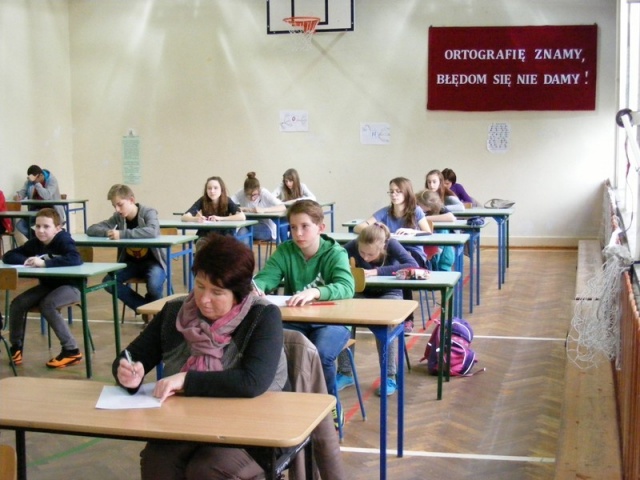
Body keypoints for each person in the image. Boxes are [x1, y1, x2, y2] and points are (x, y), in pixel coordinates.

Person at [112, 234, 289, 480]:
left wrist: (186, 380)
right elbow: (132, 355)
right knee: (157, 461)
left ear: (238, 294)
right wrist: (128, 373)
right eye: (200, 285)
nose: (204, 299)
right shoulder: (175, 312)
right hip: (190, 421)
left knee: (207, 469)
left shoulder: (262, 316)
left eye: (217, 292)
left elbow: (252, 381)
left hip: (254, 426)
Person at [253, 199, 355, 428]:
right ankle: (290, 406)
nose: (297, 233)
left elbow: (346, 287)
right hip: (297, 319)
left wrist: (317, 292)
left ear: (320, 227)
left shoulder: (335, 253)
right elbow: (268, 276)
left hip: (332, 322)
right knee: (271, 346)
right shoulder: (286, 250)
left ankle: (331, 409)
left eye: (304, 226)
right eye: (293, 227)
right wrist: (257, 287)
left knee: (321, 353)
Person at [337, 222, 419, 396]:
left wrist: (378, 271)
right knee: (343, 320)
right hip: (361, 292)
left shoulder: (392, 244)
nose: (365, 258)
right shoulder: (354, 244)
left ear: (382, 247)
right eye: (362, 253)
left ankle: (389, 375)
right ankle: (345, 372)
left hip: (389, 292)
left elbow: (413, 265)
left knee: (385, 323)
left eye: (371, 254)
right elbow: (335, 256)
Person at [3, 208, 83, 368]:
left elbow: (75, 258)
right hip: (48, 286)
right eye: (38, 226)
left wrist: (45, 263)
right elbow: (8, 255)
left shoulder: (63, 240)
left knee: (48, 304)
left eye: (46, 226)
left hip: (71, 286)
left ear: (57, 228)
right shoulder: (35, 242)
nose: (40, 230)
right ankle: (16, 347)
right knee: (18, 303)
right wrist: (26, 260)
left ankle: (71, 350)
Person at [353, 177, 431, 332]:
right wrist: (377, 232)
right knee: (374, 259)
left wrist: (412, 231)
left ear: (406, 193)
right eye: (391, 191)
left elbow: (428, 232)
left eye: (398, 191)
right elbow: (358, 227)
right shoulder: (385, 212)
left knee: (401, 268)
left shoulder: (415, 211)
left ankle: (407, 319)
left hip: (413, 253)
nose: (394, 195)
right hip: (390, 253)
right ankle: (377, 306)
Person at [86, 184, 166, 319]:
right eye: (114, 206)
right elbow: (91, 229)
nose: (117, 209)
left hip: (153, 263)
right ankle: (144, 308)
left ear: (131, 200)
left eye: (120, 205)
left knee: (154, 284)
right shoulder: (118, 217)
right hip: (130, 264)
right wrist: (107, 232)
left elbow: (153, 231)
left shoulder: (148, 212)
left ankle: (155, 314)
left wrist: (122, 234)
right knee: (108, 282)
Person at [181, 176, 245, 244]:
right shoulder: (203, 200)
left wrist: (220, 218)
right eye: (209, 188)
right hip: (206, 232)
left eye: (215, 188)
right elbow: (184, 217)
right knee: (201, 242)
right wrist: (196, 219)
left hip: (224, 232)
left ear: (221, 189)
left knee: (224, 243)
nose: (212, 191)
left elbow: (242, 216)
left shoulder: (227, 200)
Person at [13, 165, 65, 245]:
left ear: (41, 175)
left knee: (48, 228)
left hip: (51, 210)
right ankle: (40, 243)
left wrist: (36, 183)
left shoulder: (52, 180)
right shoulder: (30, 181)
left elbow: (46, 196)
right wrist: (19, 196)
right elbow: (22, 192)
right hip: (35, 210)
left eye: (34, 179)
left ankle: (45, 243)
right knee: (20, 225)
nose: (32, 181)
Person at [231, 172, 286, 242]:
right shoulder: (241, 192)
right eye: (248, 195)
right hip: (248, 225)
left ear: (259, 190)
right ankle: (245, 249)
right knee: (242, 232)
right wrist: (245, 209)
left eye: (255, 195)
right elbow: (228, 204)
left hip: (267, 228)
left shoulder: (264, 193)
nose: (252, 198)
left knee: (242, 231)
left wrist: (264, 210)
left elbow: (282, 207)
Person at [416, 189, 456, 271]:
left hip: (443, 259)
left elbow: (451, 217)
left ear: (429, 207)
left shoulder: (440, 210)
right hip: (432, 254)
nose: (418, 206)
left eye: (420, 204)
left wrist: (423, 218)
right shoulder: (418, 210)